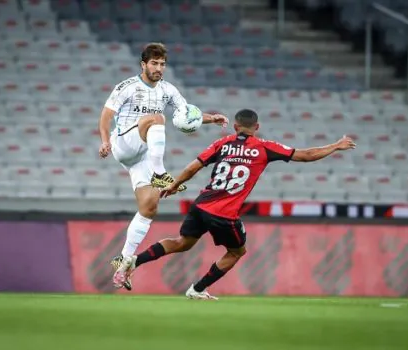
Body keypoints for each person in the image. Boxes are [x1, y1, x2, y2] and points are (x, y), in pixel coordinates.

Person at [114, 109, 357, 299]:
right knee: (237, 251)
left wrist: (175, 184)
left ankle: (134, 260)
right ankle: (198, 289)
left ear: (236, 126)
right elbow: (305, 155)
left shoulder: (222, 143)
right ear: (257, 127)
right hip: (224, 214)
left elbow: (193, 166)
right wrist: (335, 146)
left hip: (201, 205)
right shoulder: (264, 147)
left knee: (183, 242)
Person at [98, 42, 228, 290]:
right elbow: (105, 117)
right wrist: (105, 142)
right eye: (154, 63)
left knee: (149, 207)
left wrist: (211, 119)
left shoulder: (168, 90)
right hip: (124, 143)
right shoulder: (127, 86)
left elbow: (185, 114)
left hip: (143, 154)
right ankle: (160, 174)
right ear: (143, 64)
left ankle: (123, 261)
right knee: (157, 118)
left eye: (162, 64)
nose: (159, 68)